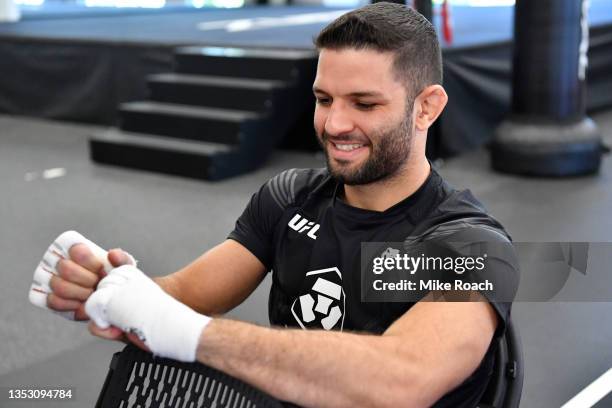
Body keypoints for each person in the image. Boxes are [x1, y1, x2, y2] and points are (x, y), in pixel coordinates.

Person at [44, 3, 519, 407]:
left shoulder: (470, 244)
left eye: (364, 104)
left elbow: (402, 380)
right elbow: (186, 292)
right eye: (324, 98)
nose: (334, 124)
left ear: (427, 107)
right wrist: (113, 287)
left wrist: (188, 333)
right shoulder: (290, 197)